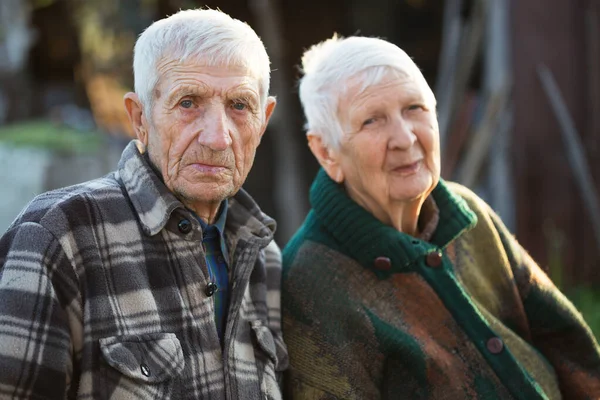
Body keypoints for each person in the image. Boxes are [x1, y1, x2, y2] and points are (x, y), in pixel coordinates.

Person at [282, 35, 600, 399]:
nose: (404, 138)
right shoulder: (312, 281)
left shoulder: (467, 215)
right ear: (327, 152)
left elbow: (570, 349)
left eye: (415, 108)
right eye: (372, 120)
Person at [0, 9, 287, 400]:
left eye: (239, 105)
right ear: (139, 117)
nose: (219, 137)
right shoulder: (58, 236)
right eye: (188, 102)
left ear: (264, 118)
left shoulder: (264, 257)